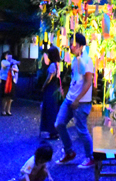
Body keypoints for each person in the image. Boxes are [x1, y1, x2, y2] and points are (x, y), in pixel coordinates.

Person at [55, 33, 95, 169]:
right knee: (59, 123)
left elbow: (88, 82)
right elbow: (75, 80)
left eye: (73, 45)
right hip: (69, 99)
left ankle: (90, 156)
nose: (71, 48)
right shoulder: (73, 61)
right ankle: (69, 152)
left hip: (81, 101)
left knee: (82, 129)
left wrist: (78, 99)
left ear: (80, 46)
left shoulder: (87, 61)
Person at [40, 47, 61, 140]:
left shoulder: (52, 65)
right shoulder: (58, 64)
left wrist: (43, 86)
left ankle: (52, 131)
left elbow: (49, 78)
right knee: (54, 109)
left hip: (50, 88)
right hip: (55, 88)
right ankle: (54, 131)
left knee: (49, 110)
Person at [0, 51, 19, 116]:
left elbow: (17, 70)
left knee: (10, 97)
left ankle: (8, 110)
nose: (9, 57)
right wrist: (12, 64)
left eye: (10, 55)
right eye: (8, 55)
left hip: (12, 80)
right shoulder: (4, 62)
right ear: (5, 56)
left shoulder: (13, 63)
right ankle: (3, 110)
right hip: (5, 80)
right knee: (4, 96)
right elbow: (4, 66)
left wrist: (14, 66)